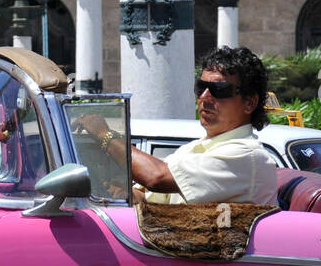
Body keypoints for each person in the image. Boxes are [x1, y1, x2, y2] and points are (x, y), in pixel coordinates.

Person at [80, 46, 278, 206]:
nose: (204, 97)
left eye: (219, 89)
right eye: (201, 88)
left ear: (249, 102)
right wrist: (118, 193)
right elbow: (156, 201)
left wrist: (104, 135)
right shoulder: (195, 149)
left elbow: (156, 177)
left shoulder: (246, 154)